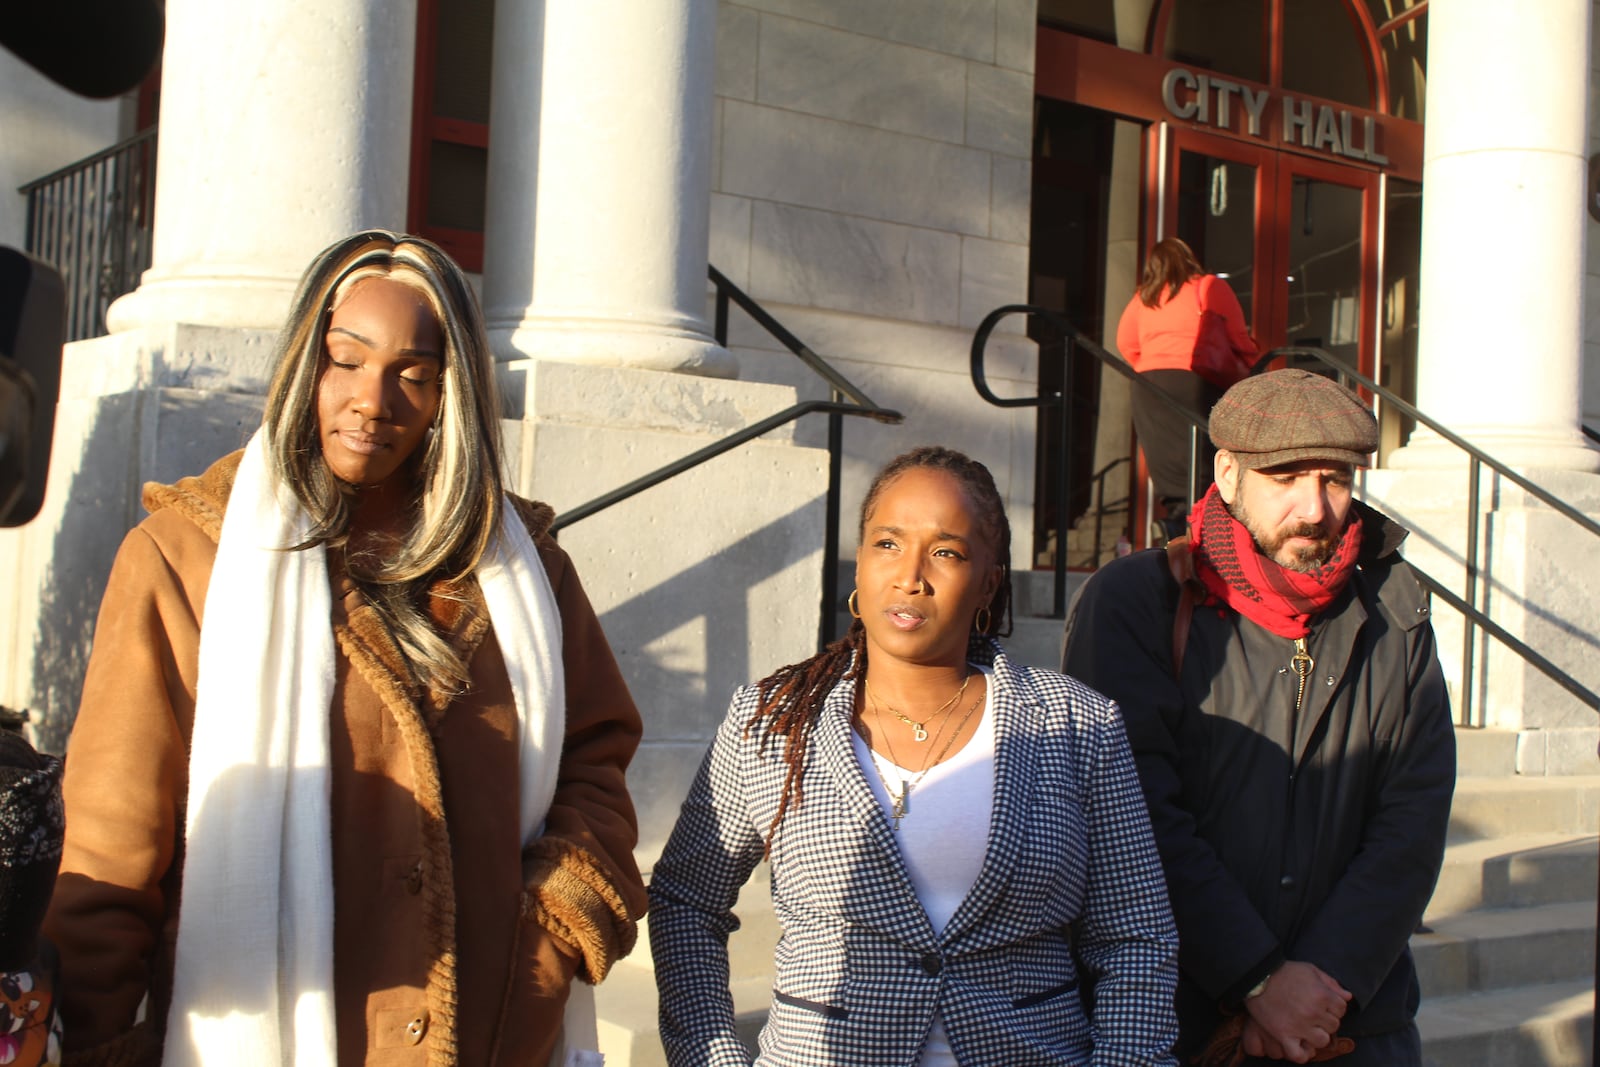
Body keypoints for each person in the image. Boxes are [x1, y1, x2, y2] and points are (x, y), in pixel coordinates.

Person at [43, 231, 647, 1066]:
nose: (374, 399)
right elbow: (112, 845)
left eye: (414, 373)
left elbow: (596, 758)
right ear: (304, 363)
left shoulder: (525, 568)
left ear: (451, 393)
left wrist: (549, 937)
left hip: (494, 1034)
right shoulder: (182, 562)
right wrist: (103, 1041)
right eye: (347, 359)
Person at [649, 446, 1179, 1066]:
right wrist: (711, 1056)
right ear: (859, 564)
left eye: (947, 552)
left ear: (990, 581)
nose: (911, 576)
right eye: (888, 544)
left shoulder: (1075, 724)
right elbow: (687, 900)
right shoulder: (772, 720)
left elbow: (1136, 932)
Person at [1062, 370, 1456, 1066]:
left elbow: (1411, 825)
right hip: (1176, 1022)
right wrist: (1257, 977)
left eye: (1335, 478)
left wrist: (1320, 986)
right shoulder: (1136, 603)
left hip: (1350, 1028)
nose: (1315, 507)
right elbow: (1136, 812)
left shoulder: (1397, 609)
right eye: (1286, 476)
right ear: (1229, 472)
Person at [1116, 237, 1257, 540]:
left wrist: (1153, 360)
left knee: (1167, 458)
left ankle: (1176, 525)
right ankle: (1205, 528)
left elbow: (1125, 344)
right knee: (1204, 455)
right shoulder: (1208, 286)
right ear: (1188, 258)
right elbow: (1237, 335)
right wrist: (1252, 359)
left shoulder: (1144, 297)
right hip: (1194, 378)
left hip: (1149, 385)